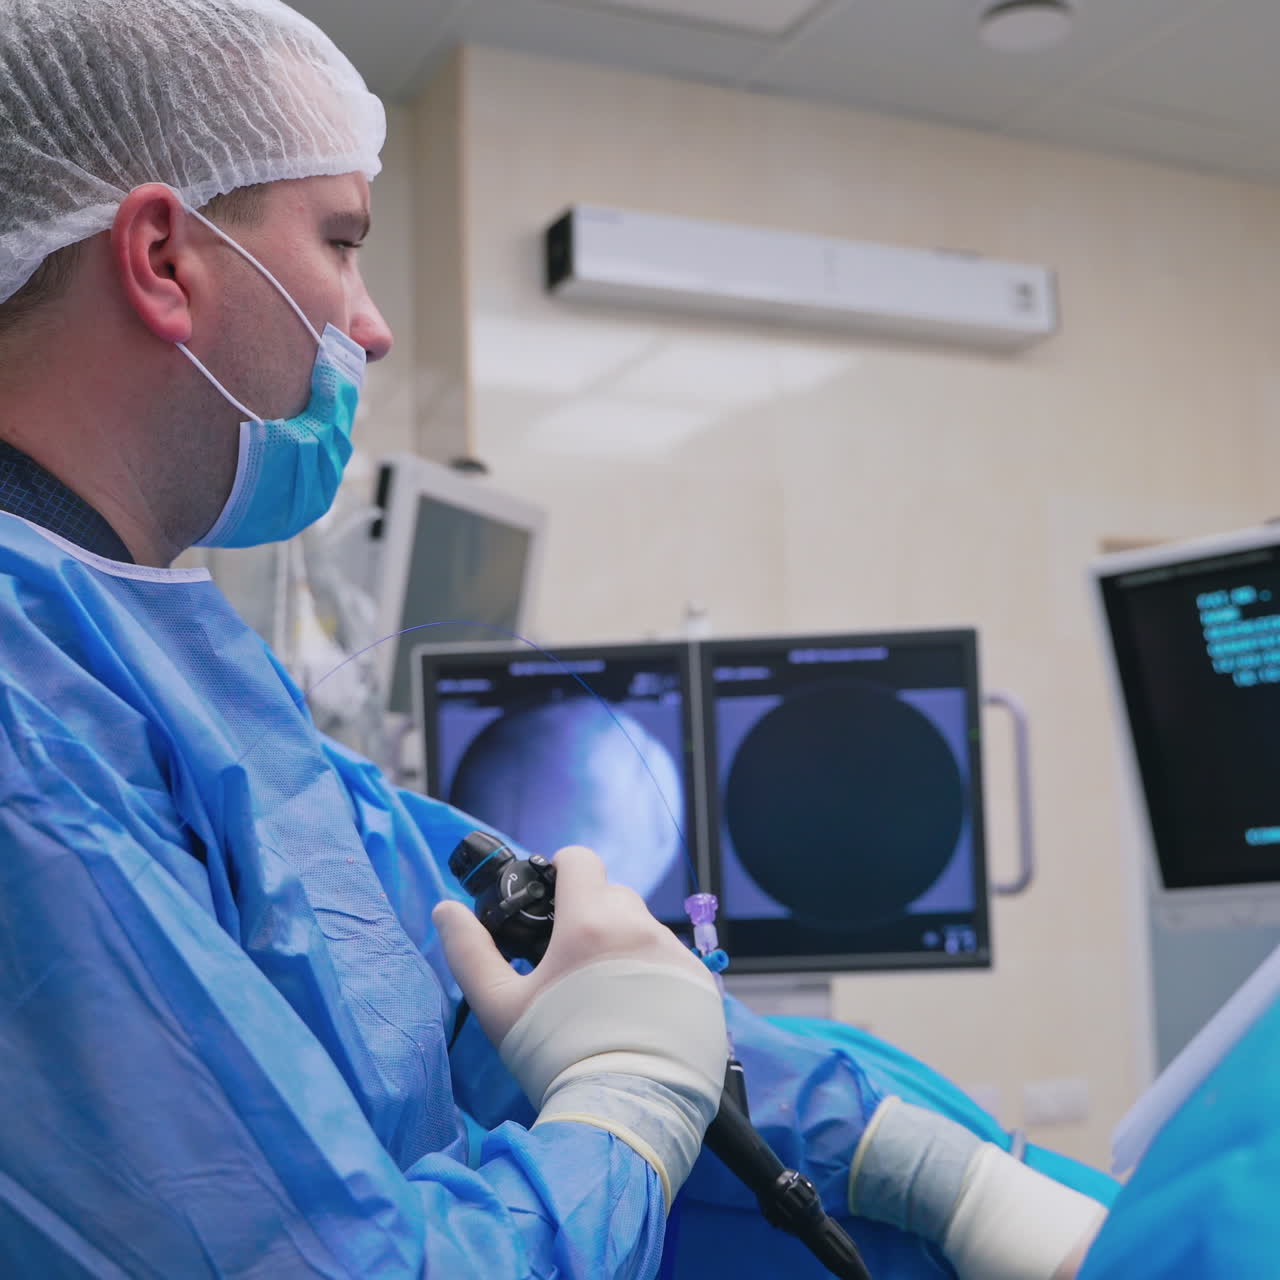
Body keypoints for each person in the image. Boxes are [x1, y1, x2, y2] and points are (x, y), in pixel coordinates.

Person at [0, 2, 1119, 1276]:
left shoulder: (152, 662)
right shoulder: (22, 712)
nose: (368, 326)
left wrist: (932, 1167)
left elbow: (489, 964)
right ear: (161, 256)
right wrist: (626, 1104)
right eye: (342, 242)